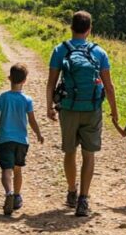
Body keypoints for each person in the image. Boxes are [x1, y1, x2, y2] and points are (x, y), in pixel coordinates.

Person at [46, 11, 118, 217]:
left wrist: (49, 107)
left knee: (70, 152)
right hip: (92, 109)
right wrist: (114, 111)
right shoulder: (99, 52)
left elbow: (51, 83)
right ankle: (83, 199)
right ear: (89, 29)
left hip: (68, 109)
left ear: (71, 28)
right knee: (88, 154)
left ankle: (71, 191)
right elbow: (109, 86)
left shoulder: (60, 50)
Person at [0, 63, 44, 216]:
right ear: (25, 81)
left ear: (9, 78)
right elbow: (32, 120)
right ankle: (16, 196)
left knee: (6, 170)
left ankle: (8, 192)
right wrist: (38, 134)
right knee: (17, 169)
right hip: (21, 141)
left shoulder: (2, 98)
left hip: (4, 140)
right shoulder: (27, 100)